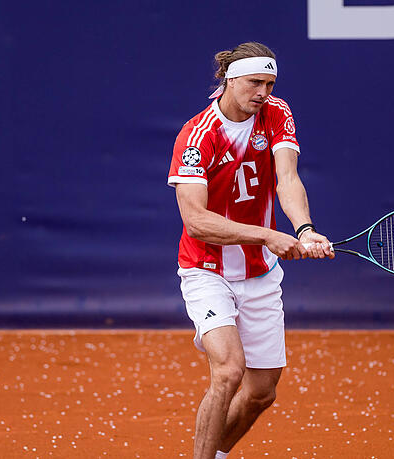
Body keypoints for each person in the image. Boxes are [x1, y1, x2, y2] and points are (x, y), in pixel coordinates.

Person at [166, 42, 334, 459]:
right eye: (255, 82)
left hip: (260, 274)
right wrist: (266, 235)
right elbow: (196, 220)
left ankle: (217, 452)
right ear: (229, 79)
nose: (263, 91)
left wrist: (305, 229)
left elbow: (287, 178)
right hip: (206, 269)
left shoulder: (277, 112)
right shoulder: (197, 135)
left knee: (261, 392)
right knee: (228, 371)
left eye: (270, 82)